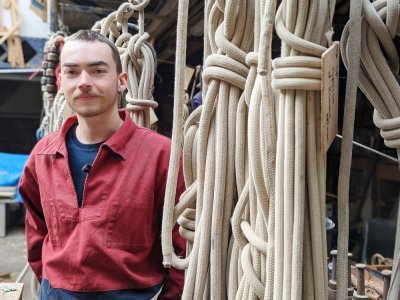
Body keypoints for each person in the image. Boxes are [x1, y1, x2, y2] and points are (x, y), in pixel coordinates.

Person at [19, 30, 186, 300]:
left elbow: (184, 244)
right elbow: (37, 235)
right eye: (73, 72)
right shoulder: (43, 156)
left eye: (97, 71)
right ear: (61, 80)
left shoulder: (162, 156)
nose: (84, 82)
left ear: (121, 81)